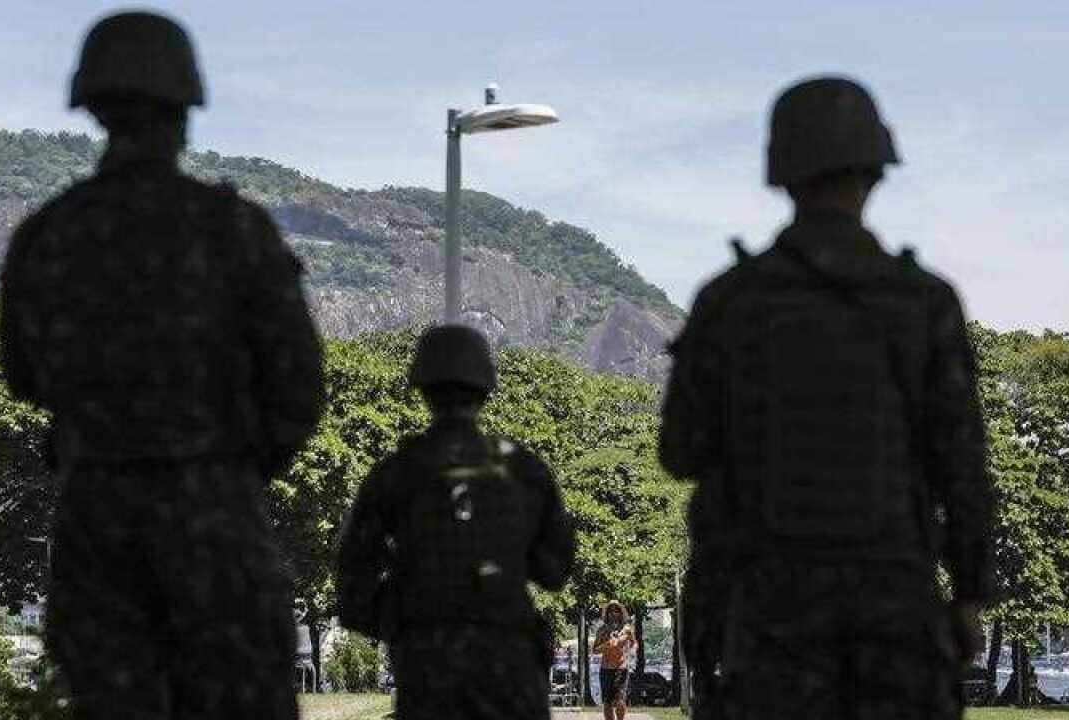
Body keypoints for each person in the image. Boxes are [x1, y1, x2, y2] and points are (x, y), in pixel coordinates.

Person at [0, 11, 324, 719]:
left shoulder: (49, 236)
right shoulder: (233, 230)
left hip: (97, 519)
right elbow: (298, 388)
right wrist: (230, 466)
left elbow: (23, 376)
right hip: (215, 512)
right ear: (185, 110)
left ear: (92, 106)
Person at [659, 75, 995, 720]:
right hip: (895, 604)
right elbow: (963, 471)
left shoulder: (731, 303)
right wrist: (969, 598)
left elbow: (681, 451)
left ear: (782, 172)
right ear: (875, 169)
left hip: (768, 609)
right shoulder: (923, 302)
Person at [335, 325, 576, 720]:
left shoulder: (394, 474)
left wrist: (407, 620)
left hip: (428, 663)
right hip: (510, 658)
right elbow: (555, 570)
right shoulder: (525, 472)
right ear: (485, 387)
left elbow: (352, 587)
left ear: (422, 386)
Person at [593, 600, 637, 720]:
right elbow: (595, 650)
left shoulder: (627, 629)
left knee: (620, 700)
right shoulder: (602, 630)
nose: (613, 613)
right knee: (607, 702)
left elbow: (634, 643)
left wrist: (631, 652)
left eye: (616, 610)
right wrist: (607, 645)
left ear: (621, 613)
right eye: (610, 611)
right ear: (606, 614)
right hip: (606, 668)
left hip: (621, 668)